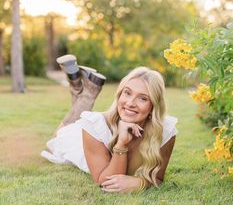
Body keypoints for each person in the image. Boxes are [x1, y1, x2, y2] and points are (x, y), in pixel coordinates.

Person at [41, 55, 178, 193]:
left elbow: (158, 178)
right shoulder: (95, 127)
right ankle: (84, 92)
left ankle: (82, 87)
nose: (130, 103)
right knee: (60, 135)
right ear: (119, 95)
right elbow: (106, 182)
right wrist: (121, 144)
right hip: (81, 143)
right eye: (127, 93)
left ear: (153, 106)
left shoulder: (165, 131)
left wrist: (141, 183)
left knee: (72, 125)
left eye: (142, 98)